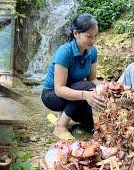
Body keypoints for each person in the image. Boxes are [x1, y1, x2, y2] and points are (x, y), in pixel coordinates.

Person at [41, 13, 106, 141]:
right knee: (88, 87)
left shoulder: (92, 51)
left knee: (92, 125)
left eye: (95, 36)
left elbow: (93, 79)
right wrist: (85, 95)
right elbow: (59, 89)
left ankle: (65, 116)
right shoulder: (64, 52)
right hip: (53, 96)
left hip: (76, 93)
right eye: (88, 36)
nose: (92, 40)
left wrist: (105, 88)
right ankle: (61, 126)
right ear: (76, 33)